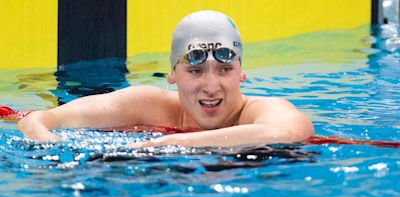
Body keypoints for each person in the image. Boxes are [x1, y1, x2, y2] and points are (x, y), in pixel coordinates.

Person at [17, 10, 314, 147]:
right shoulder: (146, 103)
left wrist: (163, 146)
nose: (211, 86)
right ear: (172, 75)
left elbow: (289, 132)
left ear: (241, 73)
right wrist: (47, 143)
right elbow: (38, 119)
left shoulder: (262, 110)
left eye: (224, 70)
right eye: (195, 71)